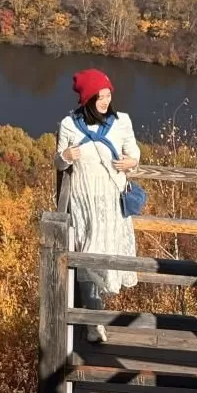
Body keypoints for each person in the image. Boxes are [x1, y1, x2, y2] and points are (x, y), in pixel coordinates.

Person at [55, 68, 140, 343]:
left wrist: (131, 162)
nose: (105, 101)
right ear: (87, 98)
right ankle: (94, 324)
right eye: (100, 96)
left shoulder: (121, 121)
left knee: (107, 260)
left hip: (110, 204)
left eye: (108, 95)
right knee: (88, 259)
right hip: (83, 202)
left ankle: (98, 316)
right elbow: (59, 162)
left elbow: (134, 154)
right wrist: (66, 156)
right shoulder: (69, 125)